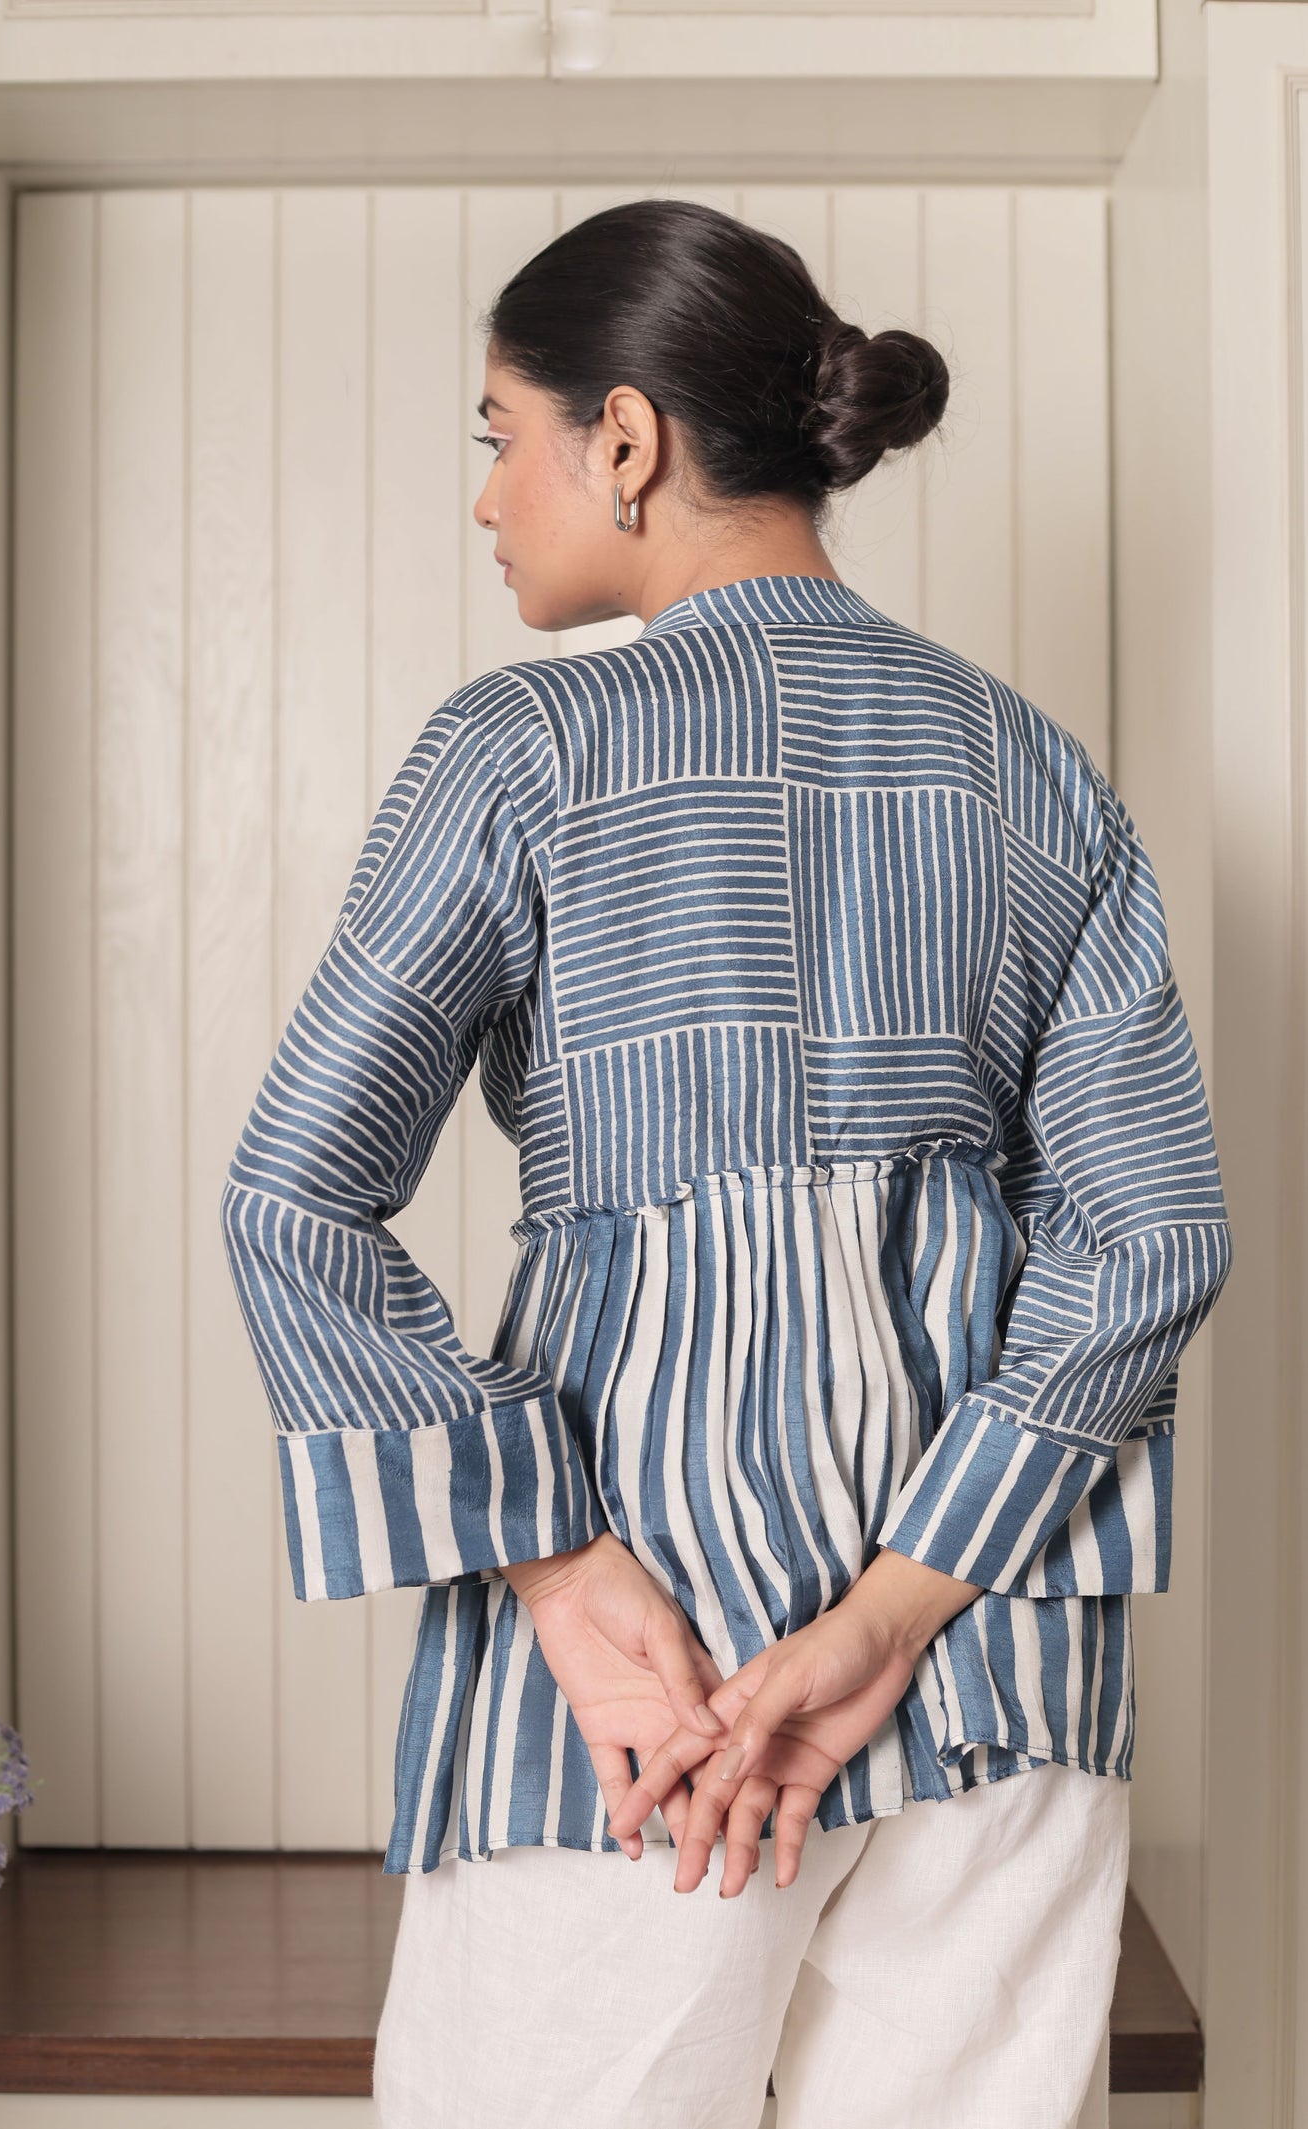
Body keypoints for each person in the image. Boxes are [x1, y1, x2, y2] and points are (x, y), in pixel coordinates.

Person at [218, 198, 1234, 2129]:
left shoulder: (515, 751)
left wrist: (557, 1556)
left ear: (626, 438)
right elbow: (1151, 1233)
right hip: (993, 1676)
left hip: (634, 1713)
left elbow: (291, 1199)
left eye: (497, 437)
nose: (487, 498)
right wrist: (895, 1609)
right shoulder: (1034, 769)